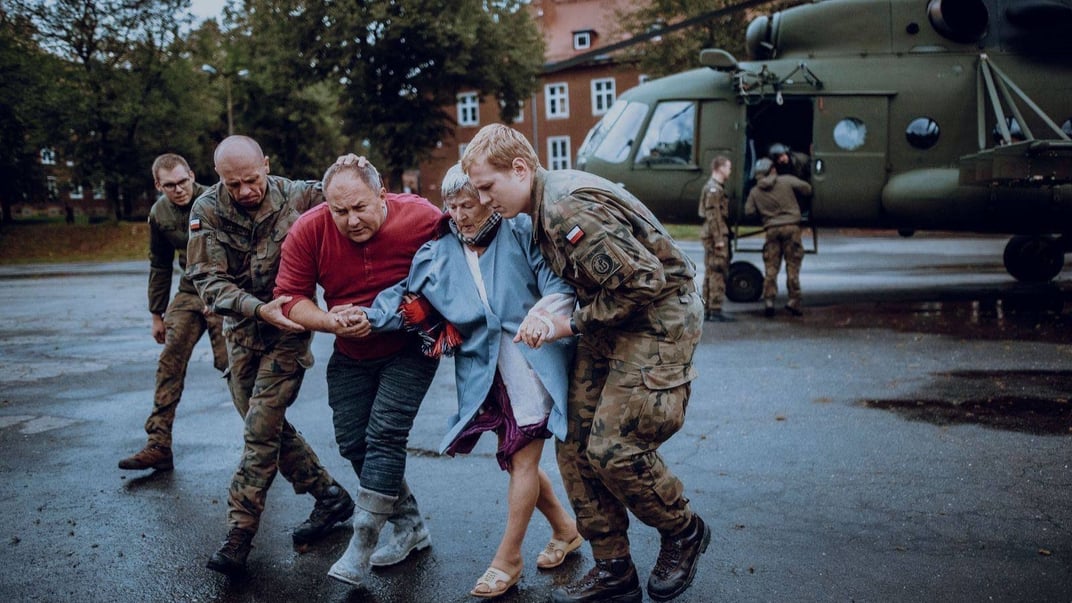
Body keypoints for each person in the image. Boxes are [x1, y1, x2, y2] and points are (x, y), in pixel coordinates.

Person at [461, 124, 709, 603]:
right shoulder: (534, 209)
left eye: (489, 187)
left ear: (519, 169)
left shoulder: (565, 207)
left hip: (657, 319)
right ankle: (613, 567)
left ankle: (683, 529)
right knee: (573, 442)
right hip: (612, 318)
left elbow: (645, 283)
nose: (486, 199)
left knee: (614, 447)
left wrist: (568, 325)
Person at [361, 163, 583, 598]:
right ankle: (565, 530)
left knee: (522, 459)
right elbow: (407, 295)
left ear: (487, 200)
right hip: (483, 374)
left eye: (468, 204)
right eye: (452, 205)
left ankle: (508, 558)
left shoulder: (520, 233)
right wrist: (364, 316)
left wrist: (542, 317)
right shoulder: (439, 252)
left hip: (531, 365)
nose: (459, 214)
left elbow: (558, 285)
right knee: (516, 458)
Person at [271, 159, 443, 588]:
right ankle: (409, 525)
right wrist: (331, 321)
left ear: (382, 192)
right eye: (339, 211)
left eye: (360, 208)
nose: (350, 220)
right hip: (349, 348)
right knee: (352, 441)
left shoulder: (421, 216)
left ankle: (363, 542)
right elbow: (290, 298)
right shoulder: (310, 229)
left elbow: (463, 259)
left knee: (385, 434)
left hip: (409, 348)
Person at [186, 135, 354, 574]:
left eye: (252, 180)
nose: (245, 191)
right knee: (267, 427)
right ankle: (330, 497)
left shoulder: (301, 196)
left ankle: (240, 533)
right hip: (242, 333)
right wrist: (257, 308)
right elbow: (207, 280)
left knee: (260, 430)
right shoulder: (206, 210)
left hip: (290, 332)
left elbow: (361, 198)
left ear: (266, 163)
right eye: (233, 183)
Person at [118, 153, 229, 472]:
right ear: (158, 185)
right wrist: (157, 314)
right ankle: (158, 444)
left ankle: (267, 442)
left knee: (233, 366)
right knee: (170, 359)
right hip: (190, 291)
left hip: (223, 290)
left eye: (183, 181)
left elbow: (240, 249)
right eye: (170, 185)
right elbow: (159, 264)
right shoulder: (159, 212)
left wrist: (224, 295)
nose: (179, 188)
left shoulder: (216, 199)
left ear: (192, 175)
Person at [744, 157, 812, 318]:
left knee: (771, 267)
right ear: (773, 169)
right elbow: (807, 189)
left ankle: (769, 301)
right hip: (791, 228)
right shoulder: (786, 181)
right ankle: (793, 301)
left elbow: (748, 212)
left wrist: (765, 214)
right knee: (792, 265)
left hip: (772, 230)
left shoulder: (755, 191)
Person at [697, 155, 735, 323]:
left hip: (713, 234)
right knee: (718, 270)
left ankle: (707, 308)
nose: (730, 171)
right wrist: (719, 239)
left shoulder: (715, 187)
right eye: (728, 167)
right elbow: (713, 216)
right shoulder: (714, 189)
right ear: (720, 168)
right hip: (715, 235)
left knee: (711, 271)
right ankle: (715, 309)